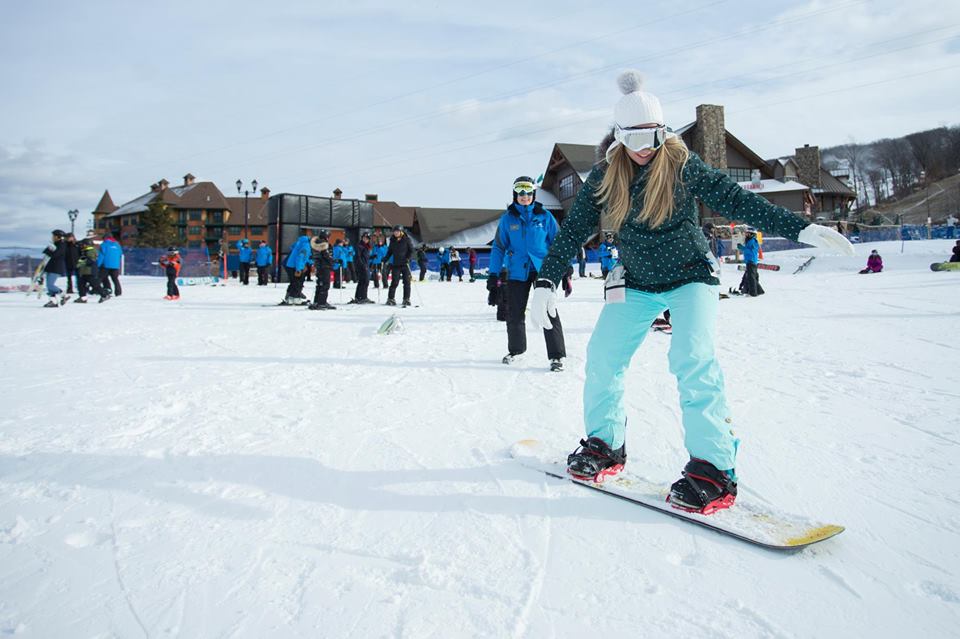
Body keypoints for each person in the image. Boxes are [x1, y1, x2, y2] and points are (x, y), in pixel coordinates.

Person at [529, 70, 854, 514]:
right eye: (635, 137)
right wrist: (546, 279)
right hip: (638, 282)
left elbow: (737, 199)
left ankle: (713, 470)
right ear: (618, 136)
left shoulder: (682, 164)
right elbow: (574, 230)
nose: (645, 147)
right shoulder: (606, 174)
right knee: (604, 358)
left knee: (692, 361)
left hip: (690, 277)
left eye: (654, 135)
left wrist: (802, 227)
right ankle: (604, 445)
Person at [487, 176, 566, 372]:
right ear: (515, 194)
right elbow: (498, 247)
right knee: (514, 312)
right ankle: (516, 351)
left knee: (549, 311)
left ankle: (556, 356)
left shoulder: (545, 216)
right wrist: (493, 274)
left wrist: (564, 268)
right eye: (520, 192)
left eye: (528, 192)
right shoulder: (507, 219)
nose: (524, 196)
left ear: (533, 194)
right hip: (516, 271)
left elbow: (559, 243)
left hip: (543, 270)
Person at [384, 225, 414, 306]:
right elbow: (390, 252)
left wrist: (408, 258)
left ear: (401, 232)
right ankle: (390, 298)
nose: (395, 233)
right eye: (394, 231)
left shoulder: (407, 240)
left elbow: (411, 251)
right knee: (394, 282)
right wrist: (385, 259)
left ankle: (406, 299)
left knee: (407, 282)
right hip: (396, 265)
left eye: (397, 231)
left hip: (405, 264)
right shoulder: (392, 240)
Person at [282, 230, 312, 305]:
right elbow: (300, 257)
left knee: (294, 281)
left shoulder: (301, 243)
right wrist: (299, 269)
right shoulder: (306, 246)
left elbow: (302, 255)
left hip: (291, 264)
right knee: (298, 281)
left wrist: (309, 261)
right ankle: (295, 298)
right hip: (295, 266)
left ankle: (290, 297)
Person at [308, 231, 336, 310]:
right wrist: (334, 261)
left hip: (319, 266)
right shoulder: (324, 245)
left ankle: (317, 301)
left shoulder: (315, 245)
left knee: (320, 284)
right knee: (325, 284)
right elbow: (327, 256)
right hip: (325, 267)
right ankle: (322, 302)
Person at [41, 229, 69, 307]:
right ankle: (53, 301)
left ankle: (64, 295)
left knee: (50, 285)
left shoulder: (62, 244)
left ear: (58, 237)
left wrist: (48, 251)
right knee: (49, 286)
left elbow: (56, 254)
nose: (52, 237)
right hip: (51, 266)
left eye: (54, 236)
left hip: (56, 267)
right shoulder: (56, 244)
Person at [74, 237, 106, 303]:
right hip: (84, 271)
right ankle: (83, 298)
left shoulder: (91, 250)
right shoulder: (85, 251)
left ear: (87, 244)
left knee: (94, 284)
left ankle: (104, 295)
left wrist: (81, 263)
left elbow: (90, 260)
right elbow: (82, 259)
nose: (82, 245)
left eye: (83, 244)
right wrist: (79, 264)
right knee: (81, 285)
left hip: (90, 271)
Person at [736, 228, 764, 296]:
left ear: (752, 234)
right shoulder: (749, 241)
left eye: (748, 233)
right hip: (750, 261)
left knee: (751, 278)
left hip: (751, 261)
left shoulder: (753, 241)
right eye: (746, 233)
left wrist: (742, 248)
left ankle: (753, 293)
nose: (746, 235)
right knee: (752, 277)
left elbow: (751, 251)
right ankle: (759, 291)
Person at [349, 232, 374, 304]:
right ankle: (362, 297)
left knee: (363, 281)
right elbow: (358, 257)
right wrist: (363, 266)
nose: (365, 239)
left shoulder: (366, 246)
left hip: (365, 265)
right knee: (364, 281)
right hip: (361, 266)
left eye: (367, 238)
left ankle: (359, 297)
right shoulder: (360, 246)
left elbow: (366, 257)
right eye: (364, 238)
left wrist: (372, 257)